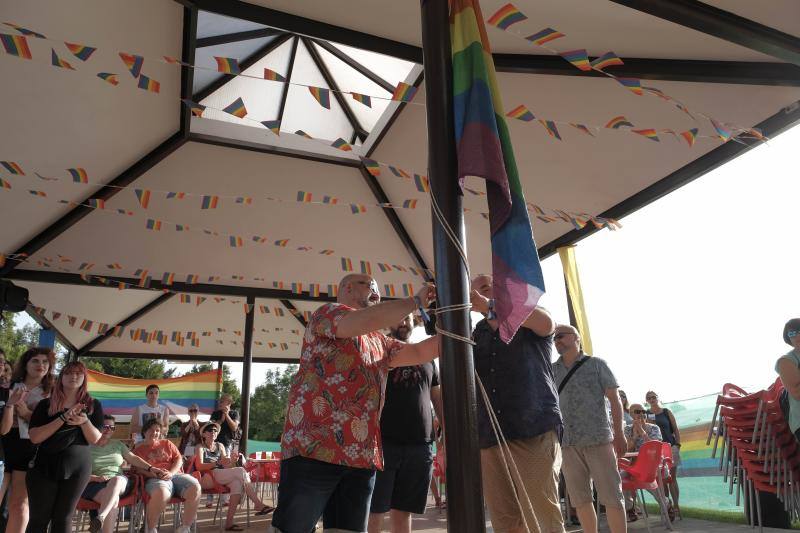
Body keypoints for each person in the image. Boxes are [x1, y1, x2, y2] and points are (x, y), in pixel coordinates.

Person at [269, 275, 439, 533]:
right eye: (371, 287)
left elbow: (419, 352)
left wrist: (458, 324)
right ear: (348, 288)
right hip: (315, 448)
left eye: (379, 291)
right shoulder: (327, 313)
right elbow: (367, 319)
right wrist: (415, 301)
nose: (377, 294)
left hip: (360, 457)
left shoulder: (379, 342)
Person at [470, 274, 565, 533]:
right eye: (477, 287)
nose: (483, 288)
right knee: (505, 522)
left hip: (532, 429)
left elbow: (547, 323)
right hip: (490, 438)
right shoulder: (474, 334)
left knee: (542, 519)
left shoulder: (528, 316)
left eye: (490, 283)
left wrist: (492, 305)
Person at [367, 314, 443, 533]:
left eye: (407, 318)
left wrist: (444, 438)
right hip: (382, 445)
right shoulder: (378, 351)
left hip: (420, 445)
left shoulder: (428, 358)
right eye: (397, 318)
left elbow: (437, 398)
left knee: (404, 512)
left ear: (414, 322)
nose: (402, 322)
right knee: (374, 511)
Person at [553, 325, 627, 533]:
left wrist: (619, 433)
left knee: (612, 496)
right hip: (567, 444)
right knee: (580, 499)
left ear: (576, 338)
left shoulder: (597, 364)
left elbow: (615, 400)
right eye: (554, 338)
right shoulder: (551, 370)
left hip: (599, 439)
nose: (557, 340)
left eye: (561, 336)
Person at [26, 360, 103, 533]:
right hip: (43, 468)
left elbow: (95, 438)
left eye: (78, 373)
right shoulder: (45, 405)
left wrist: (84, 422)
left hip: (77, 470)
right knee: (39, 519)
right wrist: (62, 418)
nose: (73, 376)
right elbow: (35, 437)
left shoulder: (93, 405)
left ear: (84, 378)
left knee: (64, 519)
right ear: (61, 377)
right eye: (68, 373)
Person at [1, 347, 55, 533]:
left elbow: (55, 424)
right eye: (35, 361)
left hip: (31, 447)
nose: (40, 365)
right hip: (3, 444)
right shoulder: (9, 385)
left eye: (45, 362)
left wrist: (27, 414)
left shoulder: (53, 392)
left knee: (19, 503)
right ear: (25, 363)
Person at [83, 414, 157, 533]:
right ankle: (101, 521)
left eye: (112, 428)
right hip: (95, 483)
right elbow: (78, 472)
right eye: (105, 426)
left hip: (119, 481)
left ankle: (101, 517)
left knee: (116, 480)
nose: (108, 430)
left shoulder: (118, 444)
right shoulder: (86, 447)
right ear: (96, 426)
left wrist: (150, 468)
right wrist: (94, 478)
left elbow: (133, 458)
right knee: (113, 500)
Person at [193, 423, 274, 530]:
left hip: (219, 475)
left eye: (215, 430)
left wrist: (232, 461)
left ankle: (229, 523)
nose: (213, 432)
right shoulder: (200, 447)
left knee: (237, 483)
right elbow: (199, 466)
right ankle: (258, 504)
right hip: (206, 478)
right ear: (203, 434)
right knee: (240, 471)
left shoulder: (220, 446)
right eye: (209, 430)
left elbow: (226, 466)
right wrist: (217, 463)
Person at [133, 418, 200, 533]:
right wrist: (152, 473)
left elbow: (179, 459)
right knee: (161, 493)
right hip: (154, 478)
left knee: (195, 486)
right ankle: (151, 529)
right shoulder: (138, 450)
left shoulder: (167, 443)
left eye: (158, 430)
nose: (155, 433)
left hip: (175, 475)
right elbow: (136, 469)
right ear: (144, 432)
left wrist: (171, 473)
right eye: (151, 430)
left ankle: (185, 528)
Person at [622, 404, 663, 522]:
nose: (641, 413)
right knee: (619, 479)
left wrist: (642, 432)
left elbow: (655, 448)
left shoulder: (654, 428)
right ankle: (629, 508)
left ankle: (665, 503)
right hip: (633, 466)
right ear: (631, 415)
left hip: (652, 465)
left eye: (643, 411)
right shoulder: (627, 429)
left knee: (646, 480)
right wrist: (634, 436)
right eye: (637, 411)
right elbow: (627, 450)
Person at [645, 390, 681, 517]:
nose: (651, 399)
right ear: (646, 401)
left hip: (671, 447)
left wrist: (678, 444)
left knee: (672, 479)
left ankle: (676, 506)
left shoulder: (666, 412)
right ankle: (668, 507)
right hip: (656, 451)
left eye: (653, 397)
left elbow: (675, 429)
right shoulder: (647, 415)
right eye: (649, 398)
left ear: (657, 398)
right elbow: (646, 432)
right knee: (662, 479)